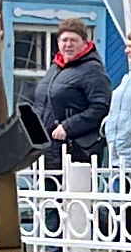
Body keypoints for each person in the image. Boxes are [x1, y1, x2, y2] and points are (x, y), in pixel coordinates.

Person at [32, 16, 111, 166]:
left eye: (73, 40)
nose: (68, 45)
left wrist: (68, 127)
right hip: (47, 148)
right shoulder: (55, 68)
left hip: (76, 151)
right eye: (64, 40)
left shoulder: (93, 69)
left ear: (84, 42)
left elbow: (101, 107)